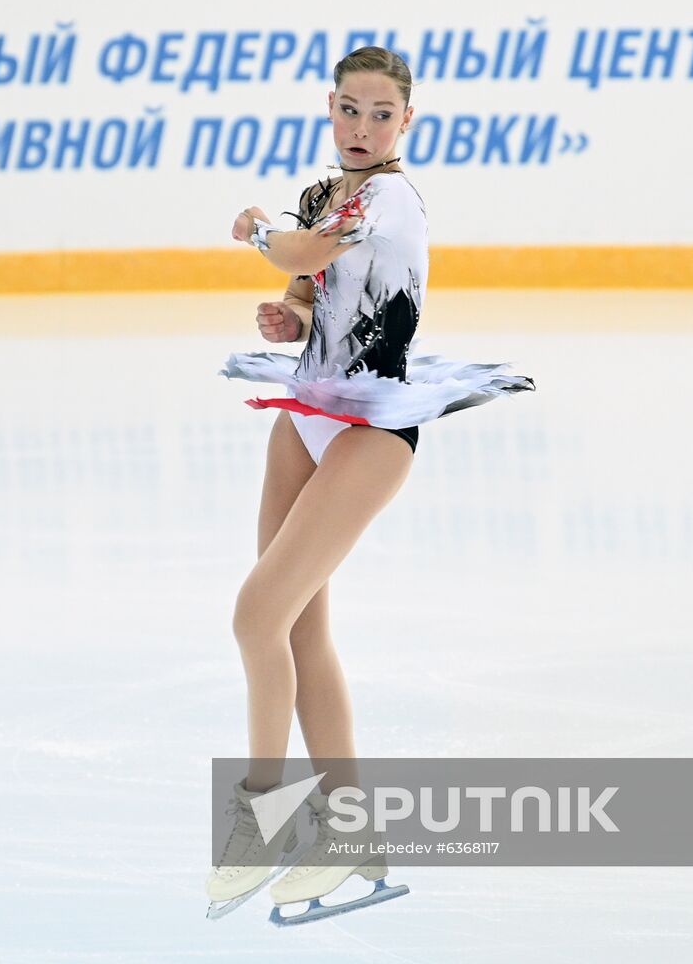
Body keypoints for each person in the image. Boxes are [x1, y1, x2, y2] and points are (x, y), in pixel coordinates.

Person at [207, 47, 536, 926]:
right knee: (296, 626)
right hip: (306, 410)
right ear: (330, 108)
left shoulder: (388, 196)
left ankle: (261, 818)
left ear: (405, 123)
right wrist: (292, 316)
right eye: (348, 110)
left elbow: (300, 246)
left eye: (379, 114)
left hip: (373, 425)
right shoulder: (323, 190)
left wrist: (251, 232)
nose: (361, 128)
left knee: (254, 614)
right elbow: (309, 284)